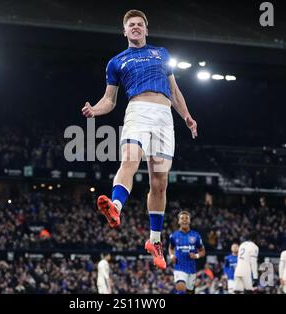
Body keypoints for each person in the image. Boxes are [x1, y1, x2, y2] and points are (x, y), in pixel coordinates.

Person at [82, 9, 197, 270]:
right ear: (124, 31)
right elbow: (109, 100)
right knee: (130, 160)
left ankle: (154, 241)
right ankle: (116, 206)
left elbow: (175, 91)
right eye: (130, 25)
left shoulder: (162, 54)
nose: (135, 27)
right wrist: (95, 110)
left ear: (146, 30)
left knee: (160, 181)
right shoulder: (116, 62)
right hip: (138, 112)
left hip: (164, 117)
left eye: (139, 24)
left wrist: (187, 117)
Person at [168, 211, 205, 294]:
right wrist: (171, 256)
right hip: (179, 268)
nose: (184, 220)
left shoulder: (196, 236)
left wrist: (196, 255)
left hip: (192, 269)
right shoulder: (174, 236)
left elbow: (203, 251)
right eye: (182, 218)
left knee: (189, 291)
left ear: (189, 221)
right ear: (179, 221)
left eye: (186, 218)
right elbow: (171, 248)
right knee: (181, 288)